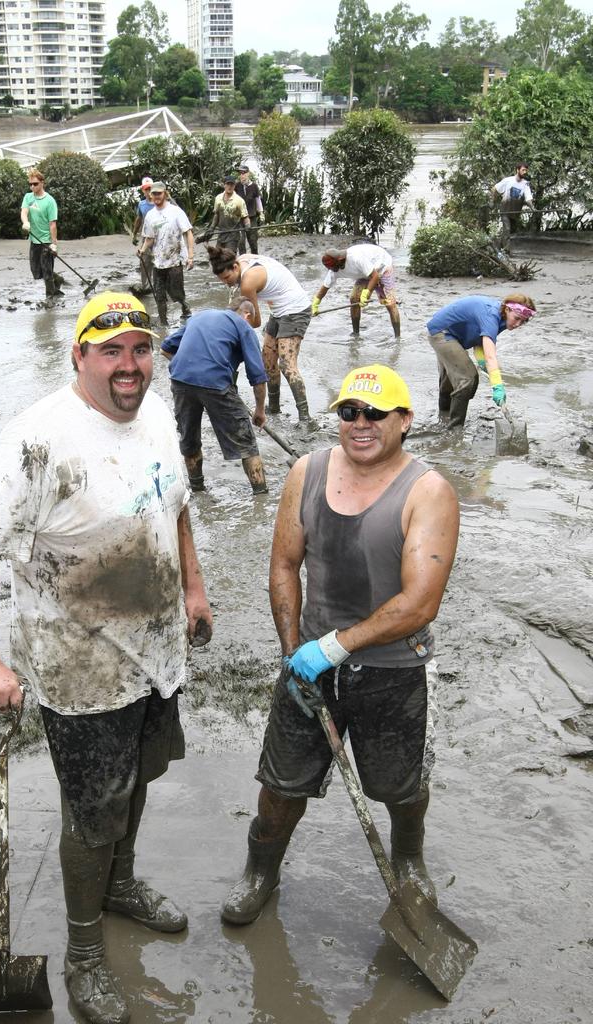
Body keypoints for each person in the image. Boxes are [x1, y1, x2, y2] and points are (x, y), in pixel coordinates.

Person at [0, 291, 213, 1024]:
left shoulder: (154, 411)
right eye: (111, 351)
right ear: (80, 356)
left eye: (140, 349)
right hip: (80, 671)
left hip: (157, 653)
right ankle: (85, 951)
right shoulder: (39, 439)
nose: (129, 366)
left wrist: (193, 586)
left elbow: (176, 501)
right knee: (93, 812)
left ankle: (121, 884)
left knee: (140, 778)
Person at [220, 364, 459, 929]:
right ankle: (261, 870)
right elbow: (283, 564)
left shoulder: (429, 492)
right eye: (349, 412)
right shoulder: (308, 470)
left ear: (405, 420)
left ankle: (408, 858)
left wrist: (335, 647)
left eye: (376, 413)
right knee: (281, 783)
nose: (361, 423)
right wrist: (293, 652)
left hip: (391, 669)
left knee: (396, 783)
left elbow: (420, 604)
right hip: (308, 665)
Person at [161, 297, 269, 495]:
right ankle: (261, 494)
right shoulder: (242, 326)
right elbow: (258, 377)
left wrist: (189, 366)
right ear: (247, 315)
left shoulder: (199, 317)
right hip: (216, 384)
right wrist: (260, 411)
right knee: (246, 444)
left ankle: (198, 490)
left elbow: (165, 348)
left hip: (180, 380)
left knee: (189, 439)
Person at [207, 244, 317, 432]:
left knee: (286, 364)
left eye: (227, 278)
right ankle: (274, 408)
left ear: (235, 267)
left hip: (296, 309)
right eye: (222, 280)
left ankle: (306, 419)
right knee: (267, 362)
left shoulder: (247, 283)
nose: (226, 283)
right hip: (278, 310)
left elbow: (255, 322)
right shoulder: (242, 259)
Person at [427, 293, 536, 427]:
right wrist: (497, 386)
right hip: (442, 333)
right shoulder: (491, 316)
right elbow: (490, 355)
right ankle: (455, 430)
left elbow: (479, 339)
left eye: (523, 321)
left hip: (453, 335)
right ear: (507, 309)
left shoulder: (502, 318)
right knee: (468, 378)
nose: (518, 324)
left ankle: (443, 418)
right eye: (517, 318)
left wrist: (482, 361)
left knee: (450, 380)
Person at [312, 245, 401, 339]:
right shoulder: (334, 269)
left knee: (389, 303)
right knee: (354, 300)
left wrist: (366, 293)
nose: (332, 270)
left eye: (334, 267)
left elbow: (375, 276)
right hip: (364, 273)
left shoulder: (356, 259)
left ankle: (397, 338)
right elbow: (325, 287)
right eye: (330, 268)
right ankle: (356, 335)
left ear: (341, 260)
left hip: (382, 266)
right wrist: (316, 303)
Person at [138, 182, 194, 327]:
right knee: (159, 294)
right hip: (158, 261)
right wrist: (142, 250)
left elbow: (188, 233)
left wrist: (190, 256)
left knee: (176, 293)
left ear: (165, 193)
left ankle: (184, 306)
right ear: (151, 195)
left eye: (159, 193)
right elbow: (149, 238)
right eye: (154, 193)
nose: (156, 196)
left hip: (175, 260)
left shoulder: (175, 211)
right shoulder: (150, 215)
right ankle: (164, 323)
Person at [20, 168, 63, 299]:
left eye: (35, 184)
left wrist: (54, 244)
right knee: (36, 272)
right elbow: (24, 212)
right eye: (30, 184)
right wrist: (25, 222)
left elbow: (53, 224)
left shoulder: (50, 201)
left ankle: (50, 297)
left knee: (46, 272)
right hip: (34, 239)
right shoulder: (28, 197)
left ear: (42, 183)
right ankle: (58, 279)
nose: (32, 186)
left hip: (46, 240)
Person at [493, 163, 534, 253]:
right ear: (517, 170)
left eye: (526, 170)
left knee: (508, 231)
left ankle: (498, 247)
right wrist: (492, 201)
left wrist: (532, 208)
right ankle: (506, 251)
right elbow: (495, 188)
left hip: (515, 212)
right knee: (507, 229)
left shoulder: (525, 184)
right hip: (505, 210)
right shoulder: (508, 180)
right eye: (523, 170)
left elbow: (528, 199)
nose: (525, 172)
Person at [204, 176, 250, 254]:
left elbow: (245, 216)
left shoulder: (239, 200)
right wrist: (211, 228)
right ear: (224, 185)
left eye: (232, 184)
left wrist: (248, 225)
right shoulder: (218, 198)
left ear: (234, 186)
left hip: (233, 234)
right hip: (221, 233)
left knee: (229, 257)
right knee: (218, 256)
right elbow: (216, 215)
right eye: (228, 184)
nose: (229, 186)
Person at [131, 176, 155, 295]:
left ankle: (161, 286)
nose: (148, 191)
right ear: (143, 190)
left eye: (150, 188)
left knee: (160, 263)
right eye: (146, 189)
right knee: (144, 262)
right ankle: (146, 287)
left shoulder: (160, 202)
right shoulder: (142, 204)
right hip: (146, 237)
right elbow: (139, 219)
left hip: (160, 238)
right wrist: (134, 234)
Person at [235, 165, 264, 255]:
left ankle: (255, 258)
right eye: (240, 173)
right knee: (241, 242)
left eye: (244, 173)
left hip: (252, 217)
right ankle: (243, 261)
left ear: (248, 174)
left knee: (253, 241)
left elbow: (258, 200)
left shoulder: (254, 186)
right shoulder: (237, 186)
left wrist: (261, 213)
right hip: (239, 218)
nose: (242, 175)